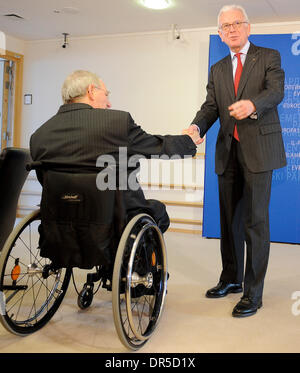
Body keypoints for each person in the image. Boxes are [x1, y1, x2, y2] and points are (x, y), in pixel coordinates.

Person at [189, 5, 286, 317]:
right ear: (220, 33)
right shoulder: (217, 69)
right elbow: (210, 107)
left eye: (236, 23)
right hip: (227, 152)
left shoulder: (268, 57)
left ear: (248, 27)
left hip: (259, 150)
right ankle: (230, 279)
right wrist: (196, 126)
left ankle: (253, 293)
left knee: (255, 222)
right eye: (225, 26)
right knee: (230, 222)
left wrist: (252, 105)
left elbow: (276, 92)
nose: (231, 29)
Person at [30, 70, 200, 236]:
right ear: (91, 91)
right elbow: (157, 147)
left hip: (60, 219)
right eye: (106, 94)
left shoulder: (39, 135)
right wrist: (188, 141)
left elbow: (44, 180)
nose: (109, 103)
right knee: (159, 213)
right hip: (113, 218)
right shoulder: (116, 123)